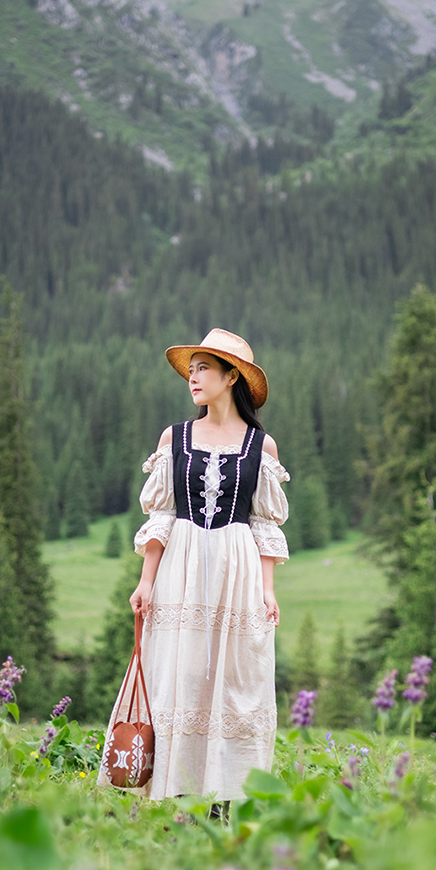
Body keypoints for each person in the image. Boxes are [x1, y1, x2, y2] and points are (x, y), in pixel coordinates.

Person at [98, 328, 290, 800]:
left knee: (234, 678)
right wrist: (146, 581)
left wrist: (268, 590)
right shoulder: (176, 437)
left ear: (231, 377)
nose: (193, 376)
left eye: (204, 367)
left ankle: (229, 794)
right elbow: (161, 514)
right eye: (192, 368)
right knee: (177, 674)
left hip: (237, 566)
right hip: (180, 563)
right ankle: (171, 791)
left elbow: (265, 525)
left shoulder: (260, 446)